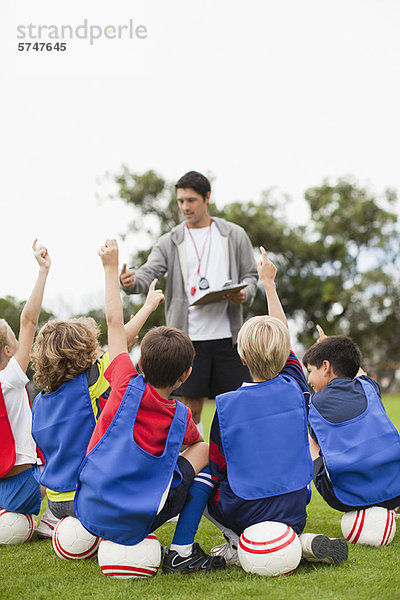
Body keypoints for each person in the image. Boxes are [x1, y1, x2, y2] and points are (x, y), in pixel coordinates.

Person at [74, 239, 226, 574]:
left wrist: (111, 268)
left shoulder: (125, 381)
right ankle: (183, 549)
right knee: (203, 449)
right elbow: (192, 447)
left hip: (90, 505)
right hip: (141, 519)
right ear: (186, 375)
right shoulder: (181, 416)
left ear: (140, 360)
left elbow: (114, 324)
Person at [206, 247, 348, 567]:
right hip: (294, 510)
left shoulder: (226, 407)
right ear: (285, 353)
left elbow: (217, 466)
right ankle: (298, 541)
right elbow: (282, 338)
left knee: (202, 473)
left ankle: (237, 546)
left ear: (242, 360)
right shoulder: (296, 387)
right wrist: (268, 283)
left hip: (242, 512)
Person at [120, 171, 258, 433]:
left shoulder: (234, 234)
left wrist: (244, 294)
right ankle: (196, 462)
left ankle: (231, 460)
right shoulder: (170, 240)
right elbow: (147, 274)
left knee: (236, 404)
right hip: (188, 338)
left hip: (229, 338)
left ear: (207, 198)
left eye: (191, 200)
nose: (185, 207)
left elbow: (250, 276)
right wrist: (129, 281)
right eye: (181, 201)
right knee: (190, 407)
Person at [31, 306, 141, 522]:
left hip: (55, 501)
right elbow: (119, 344)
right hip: (86, 497)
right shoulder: (91, 383)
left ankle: (51, 521)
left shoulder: (39, 401)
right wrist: (148, 306)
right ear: (84, 349)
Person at [303, 328, 400, 513]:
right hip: (396, 489)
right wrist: (331, 346)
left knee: (309, 439)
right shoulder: (370, 387)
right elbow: (357, 371)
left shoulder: (312, 404)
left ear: (325, 367)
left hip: (345, 498)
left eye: (310, 371)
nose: (309, 379)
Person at [0, 240, 55, 539]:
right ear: (9, 350)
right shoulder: (9, 377)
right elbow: (29, 319)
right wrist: (43, 271)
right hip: (23, 487)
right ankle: (49, 517)